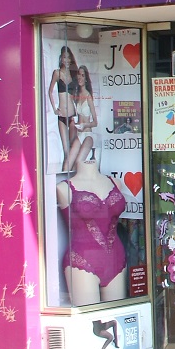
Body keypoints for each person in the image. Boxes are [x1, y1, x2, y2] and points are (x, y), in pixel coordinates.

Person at [56, 152, 128, 306]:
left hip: (115, 258)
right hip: (82, 261)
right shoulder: (64, 188)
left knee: (117, 315)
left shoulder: (115, 183)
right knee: (87, 317)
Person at [48, 46, 78, 171]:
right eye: (65, 57)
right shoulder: (57, 73)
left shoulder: (73, 74)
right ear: (61, 58)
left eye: (69, 57)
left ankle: (71, 174)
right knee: (66, 150)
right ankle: (65, 175)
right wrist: (55, 109)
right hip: (62, 116)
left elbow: (77, 94)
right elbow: (50, 91)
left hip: (72, 115)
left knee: (72, 149)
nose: (67, 60)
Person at [64, 65, 97, 172]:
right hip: (79, 134)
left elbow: (95, 122)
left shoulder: (88, 97)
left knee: (77, 165)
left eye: (83, 75)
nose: (80, 77)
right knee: (66, 166)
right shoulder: (77, 95)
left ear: (86, 78)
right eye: (79, 74)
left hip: (88, 135)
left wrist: (84, 125)